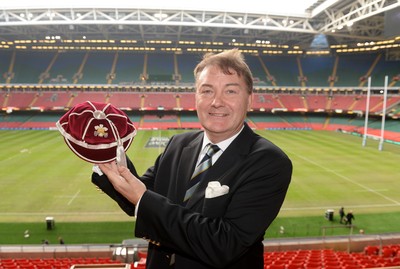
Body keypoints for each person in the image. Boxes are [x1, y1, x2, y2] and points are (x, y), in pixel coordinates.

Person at [92, 49, 293, 269]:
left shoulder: (269, 161)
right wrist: (106, 152)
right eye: (206, 91)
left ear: (249, 100)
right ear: (195, 97)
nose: (217, 101)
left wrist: (143, 198)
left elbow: (224, 244)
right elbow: (139, 196)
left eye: (231, 91)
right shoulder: (178, 144)